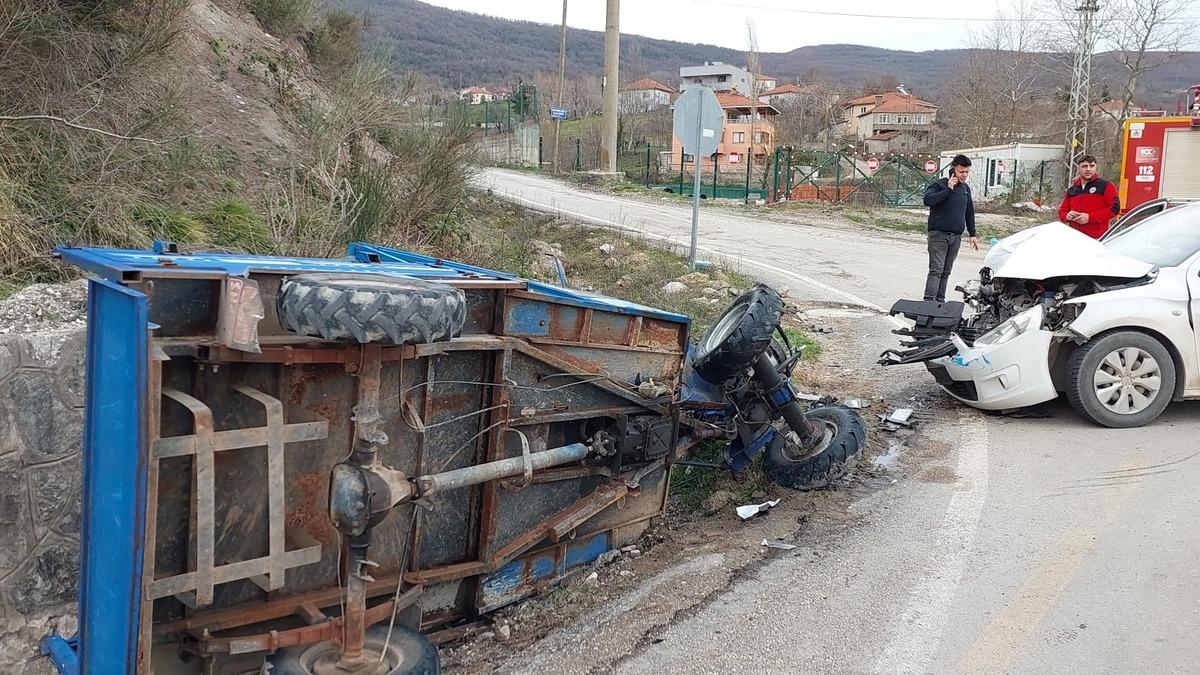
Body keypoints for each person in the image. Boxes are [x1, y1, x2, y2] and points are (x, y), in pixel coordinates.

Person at [922, 154, 979, 303]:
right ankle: (929, 302)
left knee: (946, 271)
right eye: (961, 172)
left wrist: (972, 234)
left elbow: (969, 211)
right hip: (938, 235)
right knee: (936, 270)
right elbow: (928, 200)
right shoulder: (939, 185)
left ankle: (940, 302)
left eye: (966, 172)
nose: (964, 175)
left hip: (956, 237)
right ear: (953, 169)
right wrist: (948, 190)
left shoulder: (965, 189)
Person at [1058, 154, 1120, 239]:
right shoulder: (1072, 190)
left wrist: (1090, 218)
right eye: (1084, 166)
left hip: (1097, 238)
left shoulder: (1106, 186)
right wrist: (1067, 216)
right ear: (1078, 169)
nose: (1088, 169)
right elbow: (1062, 211)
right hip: (1074, 238)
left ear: (1096, 167)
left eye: (1092, 166)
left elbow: (1114, 209)